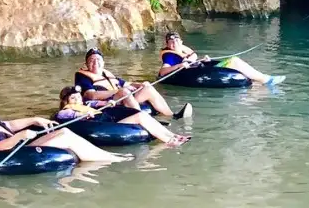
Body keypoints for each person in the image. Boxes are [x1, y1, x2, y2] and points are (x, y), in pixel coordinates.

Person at [0, 89, 130, 162]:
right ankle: (113, 160)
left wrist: (35, 119)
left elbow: (8, 125)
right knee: (65, 137)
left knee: (64, 130)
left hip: (18, 144)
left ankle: (108, 156)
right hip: (11, 152)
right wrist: (21, 135)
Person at [74, 47, 193, 119]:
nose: (95, 63)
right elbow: (91, 95)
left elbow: (126, 83)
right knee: (123, 91)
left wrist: (141, 85)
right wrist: (118, 91)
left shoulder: (107, 74)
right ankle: (144, 121)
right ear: (86, 64)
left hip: (122, 99)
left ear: (103, 63)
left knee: (147, 87)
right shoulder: (82, 76)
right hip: (106, 104)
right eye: (91, 61)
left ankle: (172, 115)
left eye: (98, 60)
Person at [55, 86, 191, 147]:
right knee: (140, 117)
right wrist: (83, 114)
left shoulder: (88, 103)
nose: (78, 100)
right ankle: (169, 141)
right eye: (73, 98)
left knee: (142, 114)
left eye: (78, 97)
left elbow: (101, 103)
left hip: (109, 121)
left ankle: (173, 135)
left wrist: (111, 102)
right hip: (104, 126)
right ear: (66, 101)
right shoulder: (65, 111)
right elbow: (68, 115)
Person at [158, 31, 286, 85]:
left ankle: (262, 79)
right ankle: (265, 79)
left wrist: (203, 59)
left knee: (234, 60)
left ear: (181, 41)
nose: (174, 44)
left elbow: (192, 61)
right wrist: (179, 66)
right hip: (193, 73)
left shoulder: (184, 50)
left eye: (176, 41)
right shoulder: (170, 56)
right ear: (167, 44)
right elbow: (163, 72)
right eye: (171, 42)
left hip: (200, 67)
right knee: (234, 61)